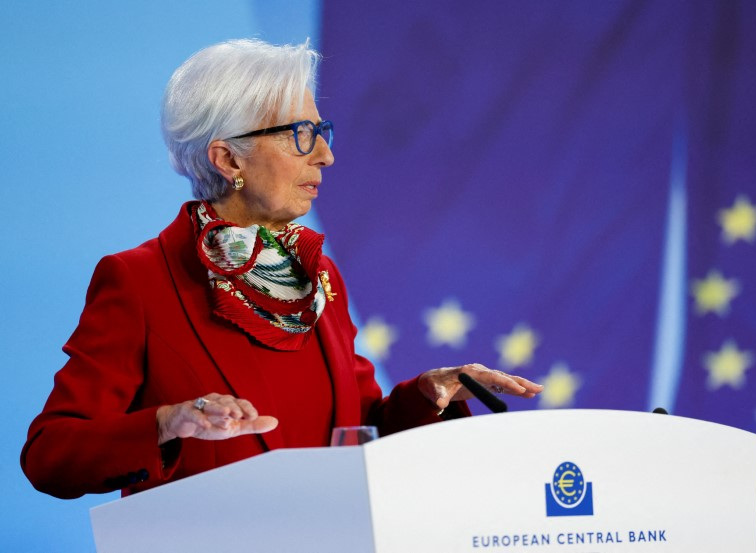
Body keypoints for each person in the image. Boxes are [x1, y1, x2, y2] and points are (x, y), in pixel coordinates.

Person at [21, 39, 542, 500]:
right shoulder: (138, 280)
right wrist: (164, 423)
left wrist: (428, 395)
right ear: (228, 160)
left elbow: (360, 430)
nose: (325, 155)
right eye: (300, 134)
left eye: (321, 131)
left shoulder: (320, 278)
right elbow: (50, 455)